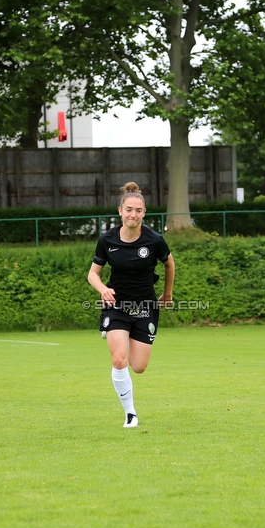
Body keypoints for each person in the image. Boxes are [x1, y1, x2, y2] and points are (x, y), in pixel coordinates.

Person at [87, 182, 175, 428]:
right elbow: (92, 274)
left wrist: (167, 295)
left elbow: (170, 264)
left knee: (139, 367)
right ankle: (130, 414)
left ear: (144, 213)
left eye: (138, 210)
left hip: (146, 306)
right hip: (116, 305)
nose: (133, 214)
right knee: (119, 359)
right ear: (120, 211)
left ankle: (120, 337)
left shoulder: (155, 240)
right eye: (128, 209)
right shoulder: (107, 240)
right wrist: (103, 289)